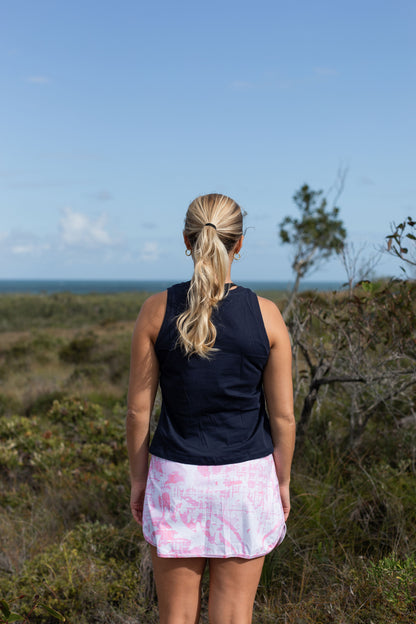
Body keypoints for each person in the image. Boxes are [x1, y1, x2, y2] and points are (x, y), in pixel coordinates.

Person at [126, 193, 296, 624]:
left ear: (188, 241)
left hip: (176, 480)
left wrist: (138, 478)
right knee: (235, 616)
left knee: (176, 618)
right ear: (238, 244)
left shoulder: (155, 311)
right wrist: (283, 483)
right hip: (247, 482)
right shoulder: (268, 316)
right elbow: (283, 418)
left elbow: (137, 413)